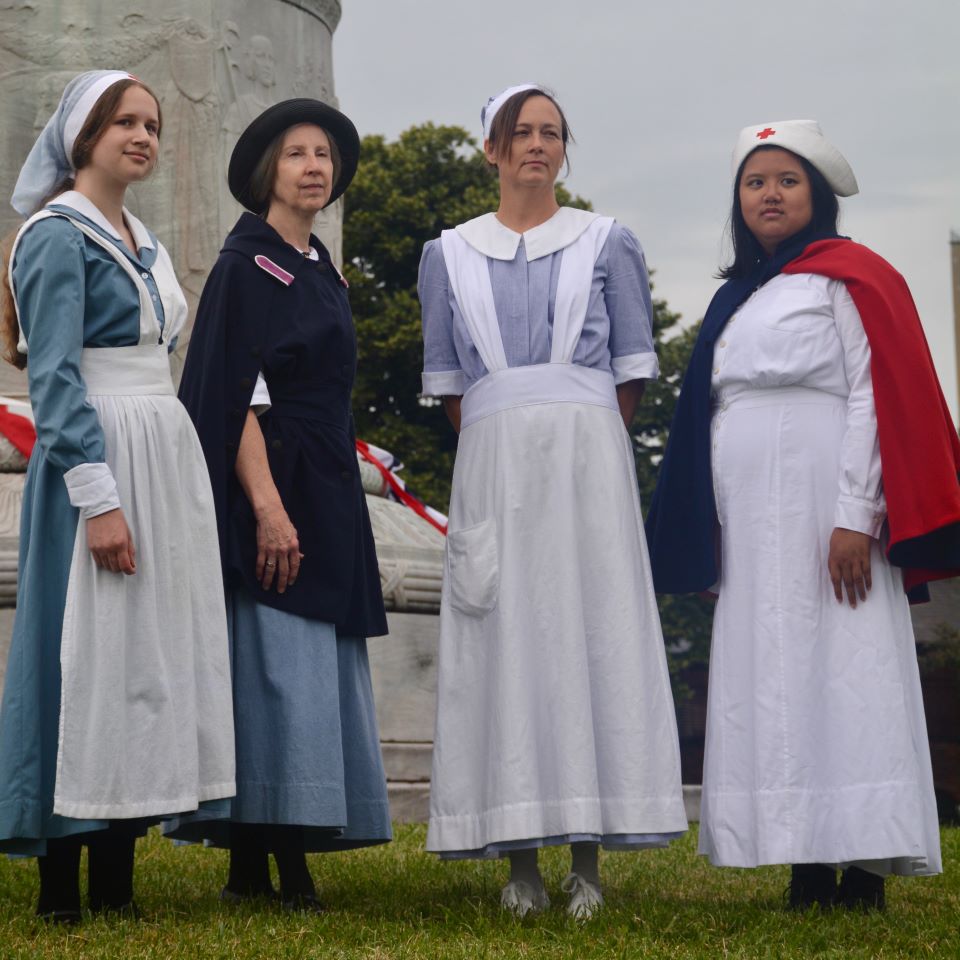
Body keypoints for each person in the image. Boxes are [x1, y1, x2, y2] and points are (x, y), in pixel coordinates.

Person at [646, 120, 960, 910]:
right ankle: (801, 861)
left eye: (787, 180)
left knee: (847, 670)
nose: (770, 194)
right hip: (751, 518)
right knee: (771, 679)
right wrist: (711, 526)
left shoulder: (853, 279)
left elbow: (870, 395)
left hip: (830, 498)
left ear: (816, 196)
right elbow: (713, 415)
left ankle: (861, 868)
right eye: (755, 182)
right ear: (738, 202)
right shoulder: (734, 300)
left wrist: (857, 516)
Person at [418, 83, 687, 920]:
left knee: (589, 631)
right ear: (492, 149)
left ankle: (589, 860)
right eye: (520, 133)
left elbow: (630, 376)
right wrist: (510, 429)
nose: (537, 145)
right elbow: (455, 387)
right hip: (494, 461)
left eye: (552, 133)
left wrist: (577, 432)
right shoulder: (449, 254)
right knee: (508, 639)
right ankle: (519, 860)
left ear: (565, 150)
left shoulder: (608, 242)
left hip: (586, 461)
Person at [0, 70, 235, 923]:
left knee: (140, 659)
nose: (143, 136)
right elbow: (53, 379)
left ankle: (116, 876)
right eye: (124, 122)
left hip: (157, 455)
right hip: (94, 458)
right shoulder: (55, 236)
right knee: (83, 656)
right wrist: (96, 498)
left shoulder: (143, 239)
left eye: (152, 124)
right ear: (82, 135)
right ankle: (61, 884)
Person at [173, 98, 391, 912]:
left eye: (325, 155)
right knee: (271, 668)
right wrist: (267, 506)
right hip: (275, 481)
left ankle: (294, 844)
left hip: (327, 480)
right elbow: (238, 395)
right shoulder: (246, 266)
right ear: (268, 172)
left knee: (313, 669)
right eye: (297, 153)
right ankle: (260, 859)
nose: (314, 166)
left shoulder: (318, 267)